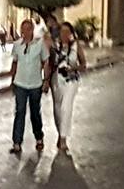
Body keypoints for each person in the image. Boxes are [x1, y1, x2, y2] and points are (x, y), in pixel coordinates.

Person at [9, 18, 51, 154]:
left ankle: (39, 137)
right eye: (23, 29)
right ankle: (17, 142)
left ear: (32, 30)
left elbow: (45, 62)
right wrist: (12, 80)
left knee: (35, 113)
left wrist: (46, 81)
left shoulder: (40, 45)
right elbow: (14, 63)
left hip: (35, 84)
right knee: (19, 112)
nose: (25, 32)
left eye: (28, 29)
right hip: (20, 83)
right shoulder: (17, 45)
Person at [50, 21, 86, 153]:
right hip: (56, 79)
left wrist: (73, 68)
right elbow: (49, 63)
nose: (64, 34)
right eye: (62, 31)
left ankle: (64, 139)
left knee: (66, 107)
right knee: (57, 109)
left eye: (67, 31)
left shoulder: (76, 46)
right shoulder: (54, 46)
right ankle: (60, 133)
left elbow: (83, 64)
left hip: (71, 80)